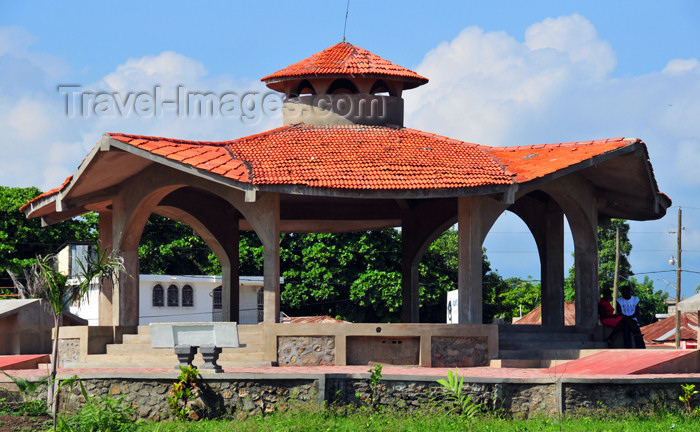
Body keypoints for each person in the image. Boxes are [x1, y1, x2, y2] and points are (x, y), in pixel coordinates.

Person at [616, 285, 646, 349]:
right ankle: (634, 340)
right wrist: (627, 318)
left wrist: (630, 317)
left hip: (633, 319)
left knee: (628, 325)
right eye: (622, 292)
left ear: (629, 292)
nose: (623, 294)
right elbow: (619, 312)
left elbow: (637, 313)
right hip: (623, 319)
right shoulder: (619, 300)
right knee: (627, 327)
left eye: (625, 292)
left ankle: (639, 346)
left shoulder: (635, 300)